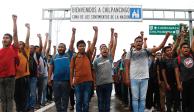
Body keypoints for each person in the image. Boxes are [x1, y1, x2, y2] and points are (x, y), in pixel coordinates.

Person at [124, 32, 170, 112]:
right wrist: (127, 78)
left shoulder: (146, 51)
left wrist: (166, 37)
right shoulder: (130, 52)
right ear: (134, 43)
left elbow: (159, 47)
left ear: (142, 43)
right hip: (133, 78)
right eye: (137, 41)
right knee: (135, 98)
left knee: (142, 98)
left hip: (145, 78)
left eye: (140, 41)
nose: (138, 42)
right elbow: (126, 66)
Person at [70, 26, 98, 112]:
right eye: (80, 46)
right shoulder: (74, 57)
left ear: (85, 47)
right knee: (78, 102)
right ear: (77, 47)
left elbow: (94, 43)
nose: (82, 47)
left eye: (83, 46)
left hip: (88, 83)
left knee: (86, 102)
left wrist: (96, 32)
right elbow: (71, 69)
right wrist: (71, 81)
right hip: (77, 83)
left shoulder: (88, 54)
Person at [48, 28, 76, 112]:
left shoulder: (68, 55)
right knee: (57, 98)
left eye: (62, 47)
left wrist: (73, 33)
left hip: (66, 81)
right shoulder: (54, 57)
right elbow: (50, 68)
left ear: (65, 48)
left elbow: (72, 43)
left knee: (65, 99)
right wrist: (49, 78)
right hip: (56, 81)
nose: (60, 48)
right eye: (59, 47)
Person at [93, 30, 117, 112]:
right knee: (100, 102)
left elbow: (113, 47)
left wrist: (115, 38)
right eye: (102, 48)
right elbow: (94, 72)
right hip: (99, 85)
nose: (104, 50)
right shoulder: (96, 61)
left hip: (108, 84)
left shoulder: (110, 58)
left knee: (107, 102)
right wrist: (94, 83)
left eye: (106, 48)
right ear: (100, 50)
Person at [0, 14, 19, 112]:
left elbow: (15, 34)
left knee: (9, 99)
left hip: (10, 78)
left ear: (11, 41)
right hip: (1, 78)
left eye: (7, 38)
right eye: (3, 37)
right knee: (3, 100)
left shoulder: (13, 48)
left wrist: (14, 21)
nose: (4, 39)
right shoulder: (0, 51)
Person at [14, 23, 30, 112]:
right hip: (16, 78)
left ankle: (23, 110)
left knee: (23, 96)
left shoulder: (26, 51)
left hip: (24, 78)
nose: (19, 44)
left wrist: (28, 29)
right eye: (18, 43)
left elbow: (27, 39)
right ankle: (18, 110)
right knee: (16, 97)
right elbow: (15, 36)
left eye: (21, 44)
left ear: (23, 46)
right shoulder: (15, 52)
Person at [175, 40, 194, 112]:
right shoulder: (177, 59)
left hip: (193, 81)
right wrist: (179, 84)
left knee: (192, 100)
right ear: (180, 49)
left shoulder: (192, 55)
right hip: (184, 82)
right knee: (185, 101)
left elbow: (193, 44)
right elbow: (176, 72)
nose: (186, 48)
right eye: (184, 47)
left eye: (187, 47)